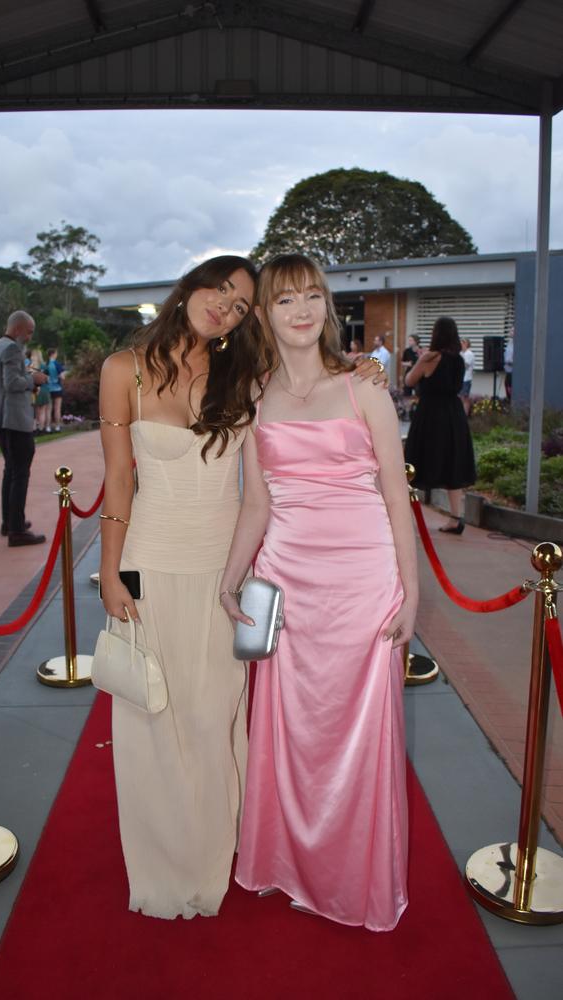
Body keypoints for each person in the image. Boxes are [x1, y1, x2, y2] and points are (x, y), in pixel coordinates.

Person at [98, 253, 391, 920]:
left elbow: (312, 386)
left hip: (229, 565)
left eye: (238, 305)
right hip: (148, 557)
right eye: (219, 291)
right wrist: (113, 571)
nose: (223, 308)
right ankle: (163, 864)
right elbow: (118, 482)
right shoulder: (125, 371)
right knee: (152, 716)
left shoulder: (244, 377)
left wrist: (365, 368)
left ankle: (217, 853)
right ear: (192, 286)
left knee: (216, 717)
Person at [218, 253, 417, 930]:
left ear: (327, 307)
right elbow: (257, 505)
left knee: (357, 735)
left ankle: (354, 880)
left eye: (311, 297)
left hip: (363, 583)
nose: (301, 311)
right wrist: (230, 579)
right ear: (266, 315)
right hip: (286, 583)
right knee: (290, 730)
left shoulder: (365, 390)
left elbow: (398, 498)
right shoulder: (254, 396)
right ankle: (283, 862)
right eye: (284, 300)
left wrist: (411, 596)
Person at [404, 315, 476, 534]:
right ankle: (456, 517)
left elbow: (409, 380)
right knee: (452, 463)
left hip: (430, 415)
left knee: (415, 464)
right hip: (453, 415)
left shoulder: (429, 357)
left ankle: (404, 517)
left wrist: (419, 360)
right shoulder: (459, 359)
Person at [0, 311, 48, 546]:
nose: (30, 337)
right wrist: (35, 380)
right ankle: (17, 530)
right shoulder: (12, 349)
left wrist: (26, 375)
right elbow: (12, 384)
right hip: (13, 419)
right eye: (29, 332)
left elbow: (5, 380)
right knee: (20, 472)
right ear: (19, 329)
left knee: (10, 471)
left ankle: (9, 522)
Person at [29, 348, 51, 433]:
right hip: (44, 388)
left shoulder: (30, 367)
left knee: (36, 410)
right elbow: (48, 379)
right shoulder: (44, 367)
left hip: (35, 389)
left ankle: (36, 427)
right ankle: (41, 428)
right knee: (43, 410)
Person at [46, 348, 65, 432]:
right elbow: (62, 376)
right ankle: (57, 426)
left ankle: (48, 427)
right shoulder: (57, 364)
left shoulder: (46, 364)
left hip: (48, 388)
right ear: (53, 354)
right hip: (57, 388)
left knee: (48, 409)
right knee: (57, 408)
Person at [460, 337, 475, 415]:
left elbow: (466, 366)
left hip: (466, 379)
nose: (460, 344)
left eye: (462, 343)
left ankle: (465, 415)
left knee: (464, 398)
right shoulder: (462, 353)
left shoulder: (469, 353)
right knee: (461, 397)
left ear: (466, 344)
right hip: (461, 379)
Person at [504, 327, 514, 403]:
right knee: (507, 386)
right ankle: (509, 401)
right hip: (508, 370)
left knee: (510, 388)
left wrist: (510, 361)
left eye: (513, 331)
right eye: (511, 330)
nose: (511, 332)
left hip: (512, 371)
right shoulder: (510, 342)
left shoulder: (517, 343)